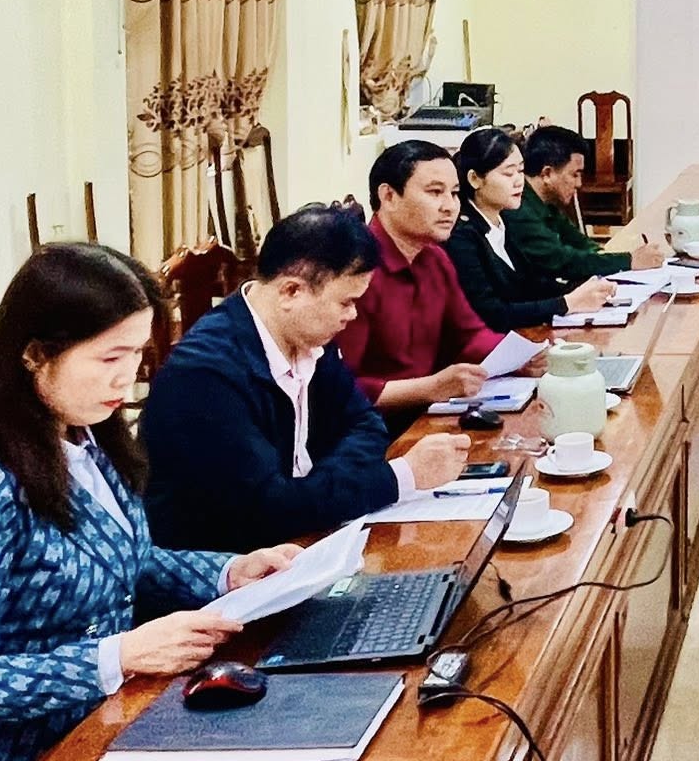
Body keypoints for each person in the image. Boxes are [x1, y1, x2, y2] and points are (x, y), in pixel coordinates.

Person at [0, 245, 301, 761]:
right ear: (34, 354)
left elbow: (127, 562)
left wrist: (230, 572)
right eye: (109, 358)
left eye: (136, 355)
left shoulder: (85, 439)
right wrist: (117, 656)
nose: (126, 379)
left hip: (89, 730)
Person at [141, 205, 475, 552]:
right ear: (291, 292)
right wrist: (399, 478)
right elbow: (267, 511)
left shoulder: (308, 336)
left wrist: (319, 493)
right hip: (232, 565)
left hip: (310, 535)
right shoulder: (205, 376)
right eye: (345, 302)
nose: (352, 314)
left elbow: (365, 423)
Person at [337, 140, 545, 413]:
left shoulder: (435, 258)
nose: (450, 206)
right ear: (388, 196)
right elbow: (337, 387)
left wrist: (520, 357)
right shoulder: (355, 272)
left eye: (455, 193)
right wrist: (429, 388)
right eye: (435, 192)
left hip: (430, 410)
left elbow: (469, 335)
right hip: (373, 423)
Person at [448, 127, 617, 330]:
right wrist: (567, 303)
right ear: (475, 179)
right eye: (508, 173)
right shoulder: (462, 236)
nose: (519, 181)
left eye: (520, 171)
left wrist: (584, 291)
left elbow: (532, 285)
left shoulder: (503, 220)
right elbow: (492, 314)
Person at [510, 124, 668, 282]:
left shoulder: (547, 203)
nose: (579, 184)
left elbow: (580, 243)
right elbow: (562, 261)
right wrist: (629, 261)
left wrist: (607, 256)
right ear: (547, 174)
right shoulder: (519, 209)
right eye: (574, 175)